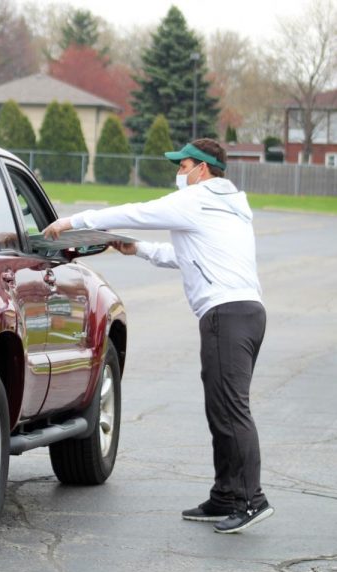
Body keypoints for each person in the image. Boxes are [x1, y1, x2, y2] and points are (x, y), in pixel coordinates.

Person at [43, 138, 273, 534]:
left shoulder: (197, 199)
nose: (178, 174)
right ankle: (226, 495)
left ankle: (252, 499)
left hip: (227, 315)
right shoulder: (226, 205)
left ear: (202, 169)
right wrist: (139, 251)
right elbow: (185, 257)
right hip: (246, 313)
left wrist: (75, 222)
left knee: (232, 408)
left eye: (182, 166)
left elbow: (138, 211)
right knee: (221, 407)